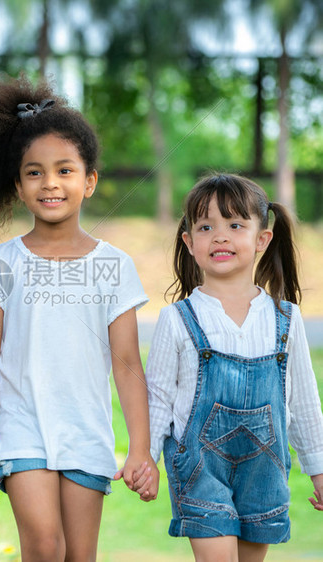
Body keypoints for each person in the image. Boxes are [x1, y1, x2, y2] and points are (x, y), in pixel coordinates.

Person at [0, 73, 159, 561]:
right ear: (18, 188)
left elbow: (128, 364)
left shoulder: (114, 265)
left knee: (77, 556)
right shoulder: (1, 264)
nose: (50, 183)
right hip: (21, 429)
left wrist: (140, 449)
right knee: (45, 546)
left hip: (86, 432)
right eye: (34, 172)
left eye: (65, 170)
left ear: (89, 182)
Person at [146, 173, 323, 562]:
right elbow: (157, 396)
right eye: (206, 227)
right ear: (190, 243)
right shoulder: (177, 318)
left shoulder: (286, 320)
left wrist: (319, 468)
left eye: (235, 225)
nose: (220, 236)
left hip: (265, 468)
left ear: (262, 239)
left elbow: (305, 403)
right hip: (199, 467)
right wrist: (146, 457)